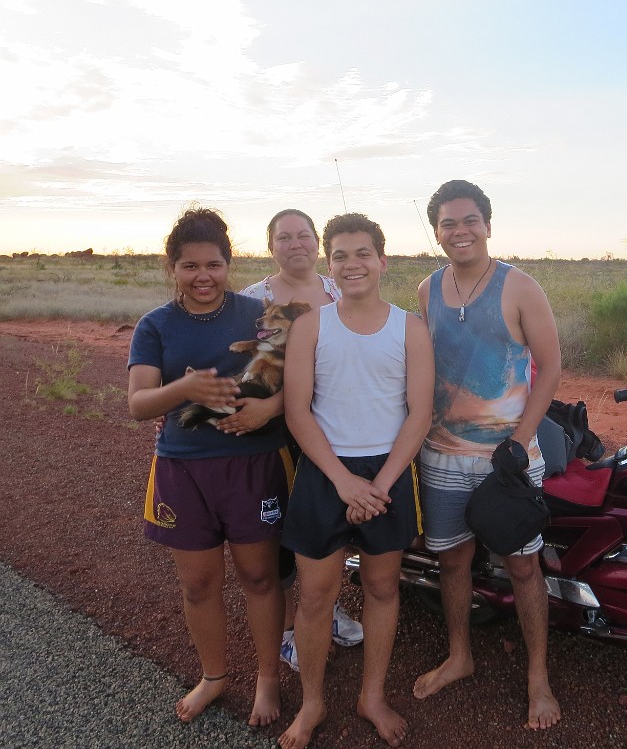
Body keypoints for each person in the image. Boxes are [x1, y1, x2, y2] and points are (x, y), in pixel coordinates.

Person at [127, 207, 288, 726]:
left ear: (229, 264)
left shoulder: (259, 315)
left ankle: (268, 678)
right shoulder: (155, 325)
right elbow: (138, 404)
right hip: (183, 469)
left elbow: (294, 384)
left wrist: (265, 407)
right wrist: (184, 390)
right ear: (172, 267)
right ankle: (214, 676)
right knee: (198, 583)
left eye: (214, 265)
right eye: (190, 266)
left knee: (260, 577)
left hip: (252, 465)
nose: (203, 277)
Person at [278, 213, 433, 749]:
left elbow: (419, 413)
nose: (352, 264)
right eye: (340, 255)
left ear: (382, 261)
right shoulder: (310, 326)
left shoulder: (409, 327)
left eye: (362, 253)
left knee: (382, 587)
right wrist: (343, 481)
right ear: (328, 264)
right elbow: (298, 411)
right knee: (316, 595)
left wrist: (382, 484)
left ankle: (372, 695)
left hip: (386, 473)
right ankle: (313, 702)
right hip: (327, 472)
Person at [412, 180, 562, 729]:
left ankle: (538, 676)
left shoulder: (520, 287)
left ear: (488, 224)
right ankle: (459, 655)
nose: (460, 231)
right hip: (442, 454)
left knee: (523, 565)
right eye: (448, 223)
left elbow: (550, 367)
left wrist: (520, 442)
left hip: (508, 459)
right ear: (436, 232)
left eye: (469, 220)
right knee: (452, 559)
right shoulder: (427, 290)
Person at [240, 208, 363, 670]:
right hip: (274, 437)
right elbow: (242, 371)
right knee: (287, 530)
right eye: (284, 237)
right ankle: (295, 628)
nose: (296, 244)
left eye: (304, 235)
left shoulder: (338, 290)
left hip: (334, 426)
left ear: (318, 244)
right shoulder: (253, 300)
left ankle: (325, 611)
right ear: (271, 245)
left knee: (330, 522)